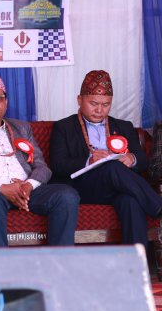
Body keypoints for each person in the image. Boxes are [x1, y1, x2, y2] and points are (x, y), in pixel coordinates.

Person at [0, 70, 79, 247]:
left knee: (66, 195)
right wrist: (2, 188)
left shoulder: (22, 128)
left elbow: (42, 166)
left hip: (26, 189)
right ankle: (1, 262)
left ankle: (60, 259)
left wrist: (28, 186)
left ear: (6, 102)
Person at [50, 70, 162, 245]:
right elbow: (58, 165)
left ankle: (137, 259)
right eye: (93, 103)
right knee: (111, 167)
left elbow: (142, 160)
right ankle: (158, 206)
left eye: (106, 105)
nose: (99, 110)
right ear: (79, 100)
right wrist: (89, 160)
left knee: (131, 201)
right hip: (83, 187)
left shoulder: (123, 126)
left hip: (117, 187)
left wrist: (132, 158)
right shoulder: (64, 127)